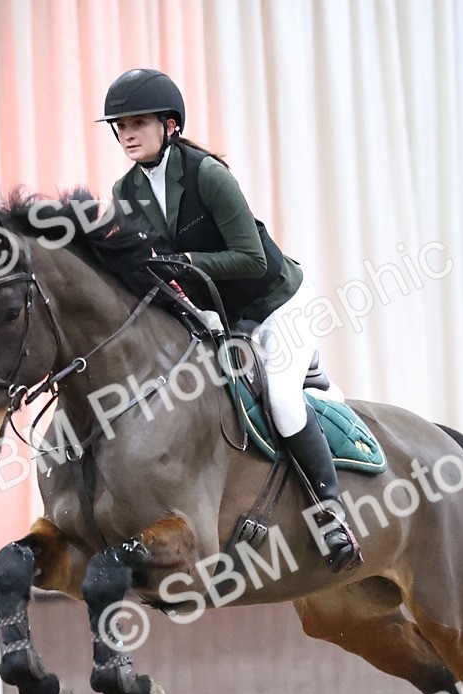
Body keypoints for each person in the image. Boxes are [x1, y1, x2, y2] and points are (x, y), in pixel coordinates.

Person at [97, 68, 361, 572]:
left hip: (276, 303)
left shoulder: (207, 176)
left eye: (137, 123)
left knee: (282, 402)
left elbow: (252, 259)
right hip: (221, 314)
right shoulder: (125, 190)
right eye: (120, 126)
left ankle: (331, 512)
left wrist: (185, 262)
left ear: (169, 125)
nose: (127, 134)